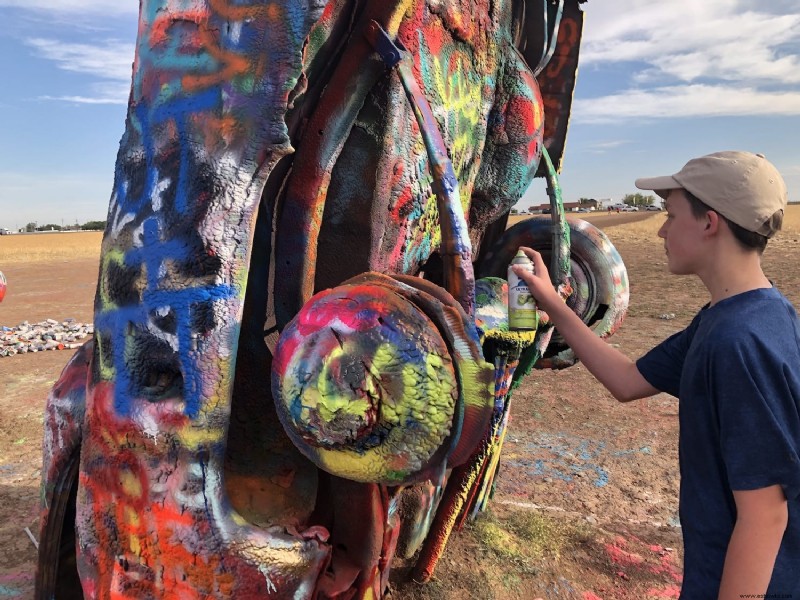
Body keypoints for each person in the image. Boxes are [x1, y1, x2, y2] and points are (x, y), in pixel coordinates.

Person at [513, 151, 799, 599]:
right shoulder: (737, 318)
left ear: (710, 222)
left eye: (670, 215)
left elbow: (766, 514)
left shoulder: (740, 343)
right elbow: (628, 381)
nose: (663, 230)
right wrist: (553, 304)